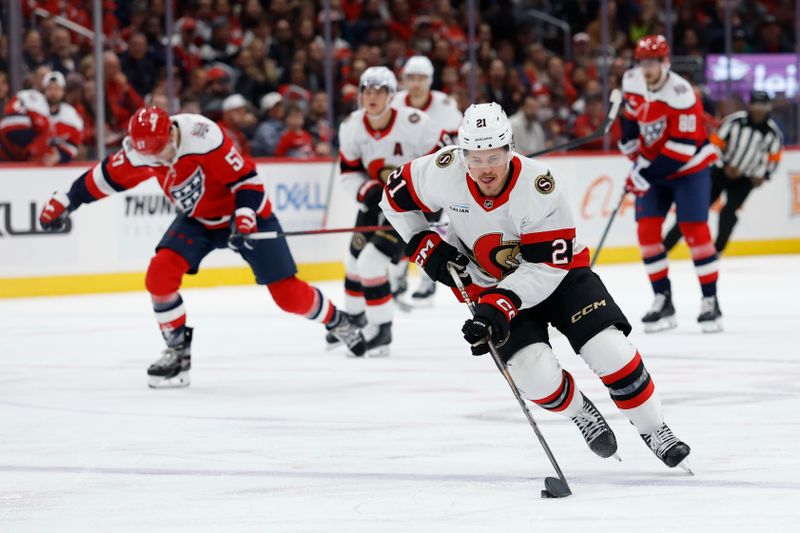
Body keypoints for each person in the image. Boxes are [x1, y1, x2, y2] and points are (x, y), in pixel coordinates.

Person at [379, 102, 692, 471]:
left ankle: (654, 429)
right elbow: (393, 198)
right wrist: (423, 243)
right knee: (533, 374)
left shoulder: (539, 185)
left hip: (559, 276)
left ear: (510, 148)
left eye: (493, 156)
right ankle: (581, 413)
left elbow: (544, 267)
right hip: (490, 284)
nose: (485, 168)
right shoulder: (442, 170)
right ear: (462, 153)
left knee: (610, 350)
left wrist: (501, 303)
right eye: (475, 158)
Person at [38, 107, 366, 388]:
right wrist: (67, 200)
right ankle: (177, 352)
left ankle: (337, 321)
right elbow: (104, 178)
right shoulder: (142, 151)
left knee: (288, 296)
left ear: (170, 134)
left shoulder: (203, 136)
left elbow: (247, 181)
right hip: (199, 220)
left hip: (247, 213)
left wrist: (245, 215)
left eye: (161, 152)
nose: (157, 161)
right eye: (150, 157)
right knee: (159, 276)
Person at [330, 66, 442, 356]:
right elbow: (349, 172)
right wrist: (365, 190)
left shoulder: (417, 122)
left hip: (410, 207)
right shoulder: (352, 125)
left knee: (370, 262)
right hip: (375, 199)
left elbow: (444, 161)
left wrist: (428, 197)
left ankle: (381, 329)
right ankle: (355, 318)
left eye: (379, 92)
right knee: (353, 260)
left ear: (392, 96)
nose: (372, 97)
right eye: (367, 91)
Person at [619, 35, 721, 334]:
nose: (646, 68)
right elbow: (630, 117)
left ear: (665, 62)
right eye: (642, 62)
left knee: (695, 231)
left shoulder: (682, 93)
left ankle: (710, 300)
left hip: (689, 169)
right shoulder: (631, 80)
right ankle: (662, 299)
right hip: (654, 168)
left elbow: (681, 149)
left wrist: (644, 173)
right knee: (647, 231)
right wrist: (629, 144)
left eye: (653, 62)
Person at [663, 91, 784, 253]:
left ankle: (716, 250)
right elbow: (713, 143)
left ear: (768, 108)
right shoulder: (734, 121)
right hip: (720, 172)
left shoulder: (772, 133)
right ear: (750, 106)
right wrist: (723, 164)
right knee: (697, 208)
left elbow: (774, 158)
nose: (759, 110)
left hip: (745, 178)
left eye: (762, 106)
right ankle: (665, 246)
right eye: (756, 105)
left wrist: (764, 176)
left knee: (728, 212)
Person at [0, 86, 52, 163]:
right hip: (23, 124)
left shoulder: (20, 95)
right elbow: (44, 129)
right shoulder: (39, 102)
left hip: (9, 126)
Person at [42, 71, 84, 163]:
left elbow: (75, 142)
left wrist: (61, 156)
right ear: (44, 91)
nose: (53, 92)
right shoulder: (36, 111)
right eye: (49, 88)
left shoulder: (71, 114)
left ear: (63, 91)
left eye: (57, 88)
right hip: (35, 162)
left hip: (63, 164)